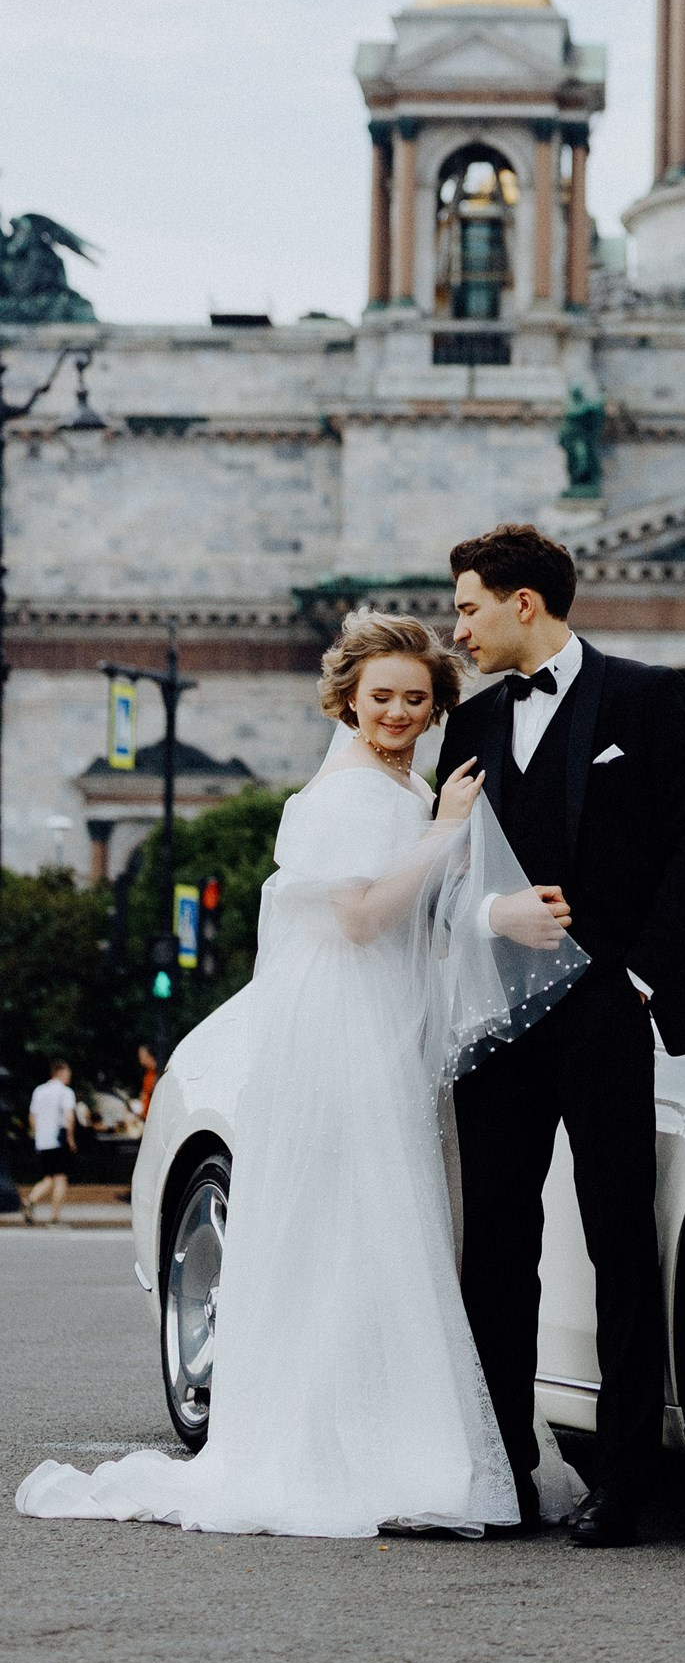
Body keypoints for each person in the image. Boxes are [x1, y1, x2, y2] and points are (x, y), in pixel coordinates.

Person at [16, 612, 586, 1537]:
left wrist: (482, 896)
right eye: (381, 698)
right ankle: (360, 1454)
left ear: (436, 704)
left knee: (385, 1238)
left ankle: (392, 1441)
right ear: (348, 701)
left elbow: (426, 916)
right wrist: (445, 833)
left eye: (415, 698)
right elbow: (363, 919)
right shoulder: (348, 796)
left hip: (383, 1031)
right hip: (345, 1038)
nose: (397, 713)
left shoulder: (401, 787)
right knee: (363, 1232)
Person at [438, 524, 685, 1549]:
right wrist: (489, 919)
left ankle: (624, 1480)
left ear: (524, 603)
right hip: (495, 1012)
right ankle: (502, 1468)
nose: (457, 627)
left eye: (468, 607)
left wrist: (634, 975)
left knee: (618, 1233)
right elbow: (443, 873)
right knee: (494, 1241)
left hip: (603, 1002)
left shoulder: (643, 695)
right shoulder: (469, 724)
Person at [22, 1061, 77, 1224]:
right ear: (60, 1073)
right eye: (68, 1073)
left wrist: (39, 1133)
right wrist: (71, 1138)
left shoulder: (39, 1091)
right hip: (59, 1140)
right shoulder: (65, 1092)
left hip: (43, 1141)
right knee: (61, 1178)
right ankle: (54, 1217)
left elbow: (32, 1116)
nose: (69, 1076)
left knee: (49, 1177)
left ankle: (30, 1200)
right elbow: (69, 1116)